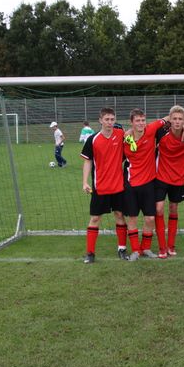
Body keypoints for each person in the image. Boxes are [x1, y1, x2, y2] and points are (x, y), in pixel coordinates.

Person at [80, 108, 129, 264]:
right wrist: (85, 182)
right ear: (100, 120)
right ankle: (90, 253)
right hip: (100, 186)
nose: (109, 122)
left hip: (118, 186)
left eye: (112, 119)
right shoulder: (92, 139)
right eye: (107, 119)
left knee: (120, 215)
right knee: (95, 218)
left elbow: (136, 133)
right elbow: (87, 161)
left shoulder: (121, 135)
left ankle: (122, 249)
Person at [122, 109, 170, 261]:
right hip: (130, 184)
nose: (141, 123)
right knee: (132, 218)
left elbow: (170, 116)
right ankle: (136, 250)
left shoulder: (151, 129)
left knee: (150, 218)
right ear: (131, 122)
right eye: (137, 120)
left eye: (143, 120)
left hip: (149, 183)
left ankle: (146, 248)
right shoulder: (125, 138)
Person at [154, 105, 184, 259]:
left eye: (180, 119)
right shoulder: (161, 134)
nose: (177, 121)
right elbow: (146, 129)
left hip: (178, 180)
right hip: (160, 177)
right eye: (174, 118)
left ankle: (171, 245)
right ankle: (162, 247)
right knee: (159, 209)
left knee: (173, 209)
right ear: (170, 120)